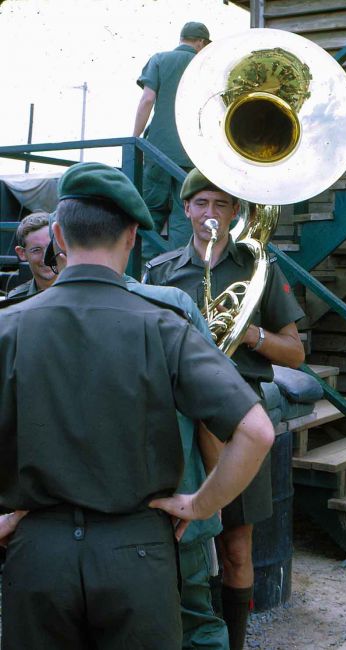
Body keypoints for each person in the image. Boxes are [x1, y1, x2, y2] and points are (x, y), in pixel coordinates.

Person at [0, 162, 274, 650]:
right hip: (139, 555)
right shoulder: (165, 325)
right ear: (131, 236)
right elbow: (256, 432)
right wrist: (200, 504)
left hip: (37, 553)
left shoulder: (8, 328)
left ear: (59, 235)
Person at [145, 168, 306, 650]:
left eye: (221, 205)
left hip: (239, 422)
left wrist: (246, 332)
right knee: (175, 541)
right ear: (186, 209)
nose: (210, 214)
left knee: (237, 548)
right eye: (201, 204)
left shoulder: (259, 266)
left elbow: (296, 353)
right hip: (174, 422)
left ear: (235, 212)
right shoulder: (160, 272)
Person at [133, 21, 211, 261]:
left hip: (157, 151)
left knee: (150, 214)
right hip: (191, 156)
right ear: (199, 42)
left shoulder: (159, 59)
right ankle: (179, 271)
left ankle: (143, 274)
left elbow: (147, 100)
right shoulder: (205, 66)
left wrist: (134, 139)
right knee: (183, 216)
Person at [6, 211, 56, 298]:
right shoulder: (17, 300)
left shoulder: (83, 294)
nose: (45, 258)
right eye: (36, 250)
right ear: (22, 253)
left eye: (51, 248)